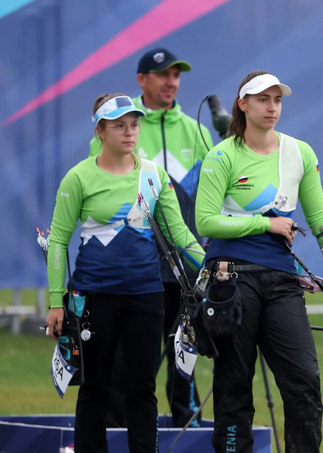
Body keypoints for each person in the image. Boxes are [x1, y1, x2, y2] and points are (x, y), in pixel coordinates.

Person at [194, 70, 323, 453]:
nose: (272, 107)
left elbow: (320, 217)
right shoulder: (221, 155)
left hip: (281, 282)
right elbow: (204, 221)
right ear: (242, 104)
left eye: (277, 100)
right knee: (234, 386)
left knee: (304, 381)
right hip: (231, 282)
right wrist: (264, 222)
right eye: (262, 99)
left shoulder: (299, 152)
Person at [45, 93, 205, 453]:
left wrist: (209, 271)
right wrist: (57, 302)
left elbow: (180, 234)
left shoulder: (153, 174)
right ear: (101, 131)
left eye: (134, 124)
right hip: (94, 296)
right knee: (95, 387)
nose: (129, 132)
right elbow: (57, 241)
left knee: (142, 388)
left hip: (146, 296)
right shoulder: (79, 177)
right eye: (119, 126)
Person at [89, 47, 214, 428]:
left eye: (176, 75)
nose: (171, 82)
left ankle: (187, 430)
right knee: (127, 358)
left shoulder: (197, 131)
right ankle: (117, 431)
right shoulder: (119, 127)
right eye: (162, 74)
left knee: (184, 352)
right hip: (134, 263)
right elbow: (101, 182)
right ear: (142, 80)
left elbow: (211, 193)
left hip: (183, 264)